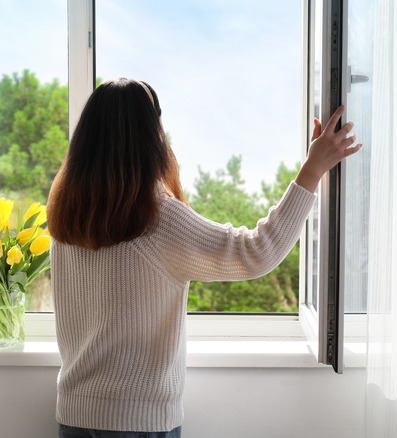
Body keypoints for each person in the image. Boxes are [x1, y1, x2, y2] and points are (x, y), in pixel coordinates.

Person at [46, 78, 361, 437]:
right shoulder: (156, 217)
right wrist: (313, 170)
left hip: (73, 416)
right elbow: (257, 251)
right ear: (152, 134)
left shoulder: (67, 218)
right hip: (136, 425)